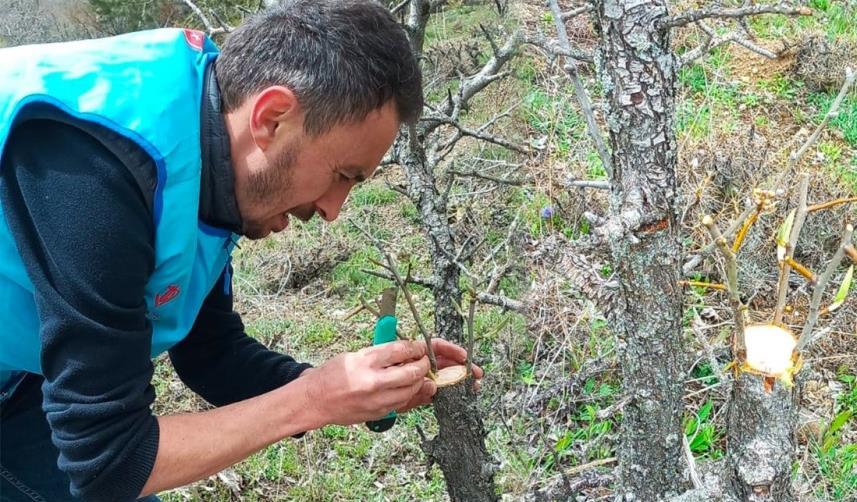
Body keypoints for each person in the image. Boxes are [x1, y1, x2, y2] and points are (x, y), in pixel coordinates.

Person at [0, 1, 482, 501]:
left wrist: (345, 389)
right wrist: (313, 399)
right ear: (272, 119)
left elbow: (209, 351)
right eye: (343, 175)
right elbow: (109, 463)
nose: (334, 209)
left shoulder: (207, 144)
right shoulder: (96, 168)